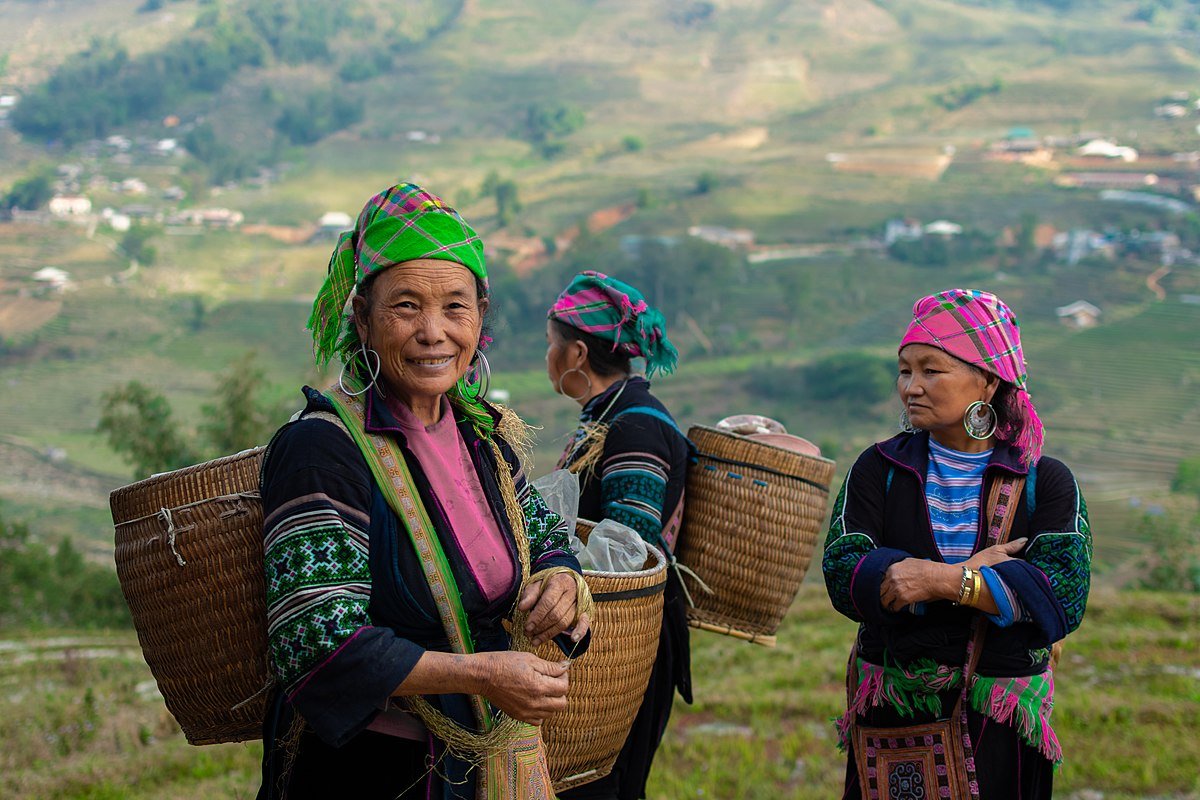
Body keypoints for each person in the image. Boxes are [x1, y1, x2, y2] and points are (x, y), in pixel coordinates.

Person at [257, 183, 591, 800]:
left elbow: (542, 534)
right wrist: (482, 675)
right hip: (372, 775)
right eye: (406, 306)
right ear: (362, 318)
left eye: (455, 308)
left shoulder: (480, 436)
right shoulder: (322, 451)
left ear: (480, 318)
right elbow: (317, 645)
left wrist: (562, 577)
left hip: (486, 771)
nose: (433, 332)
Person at [822, 288, 1092, 799]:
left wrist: (935, 580)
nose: (911, 387)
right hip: (894, 715)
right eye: (905, 370)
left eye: (931, 370)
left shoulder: (1045, 481)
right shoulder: (877, 469)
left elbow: (1060, 594)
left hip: (999, 725)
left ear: (987, 381)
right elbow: (845, 572)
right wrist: (980, 580)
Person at [544, 271, 692, 800]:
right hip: (605, 639)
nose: (548, 357)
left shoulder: (635, 427)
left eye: (551, 345)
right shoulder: (608, 417)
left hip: (625, 645)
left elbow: (629, 549)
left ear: (577, 353)